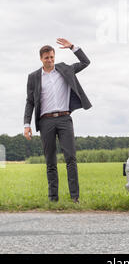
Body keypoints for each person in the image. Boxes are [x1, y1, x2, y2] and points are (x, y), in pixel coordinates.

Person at [23, 38, 92, 203]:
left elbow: (85, 62)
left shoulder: (65, 69)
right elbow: (30, 101)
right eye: (47, 58)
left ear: (54, 56)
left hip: (64, 119)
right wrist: (27, 125)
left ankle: (75, 197)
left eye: (52, 57)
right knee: (51, 161)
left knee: (71, 158)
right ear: (41, 59)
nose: (50, 60)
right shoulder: (33, 77)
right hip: (45, 121)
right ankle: (53, 198)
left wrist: (73, 47)